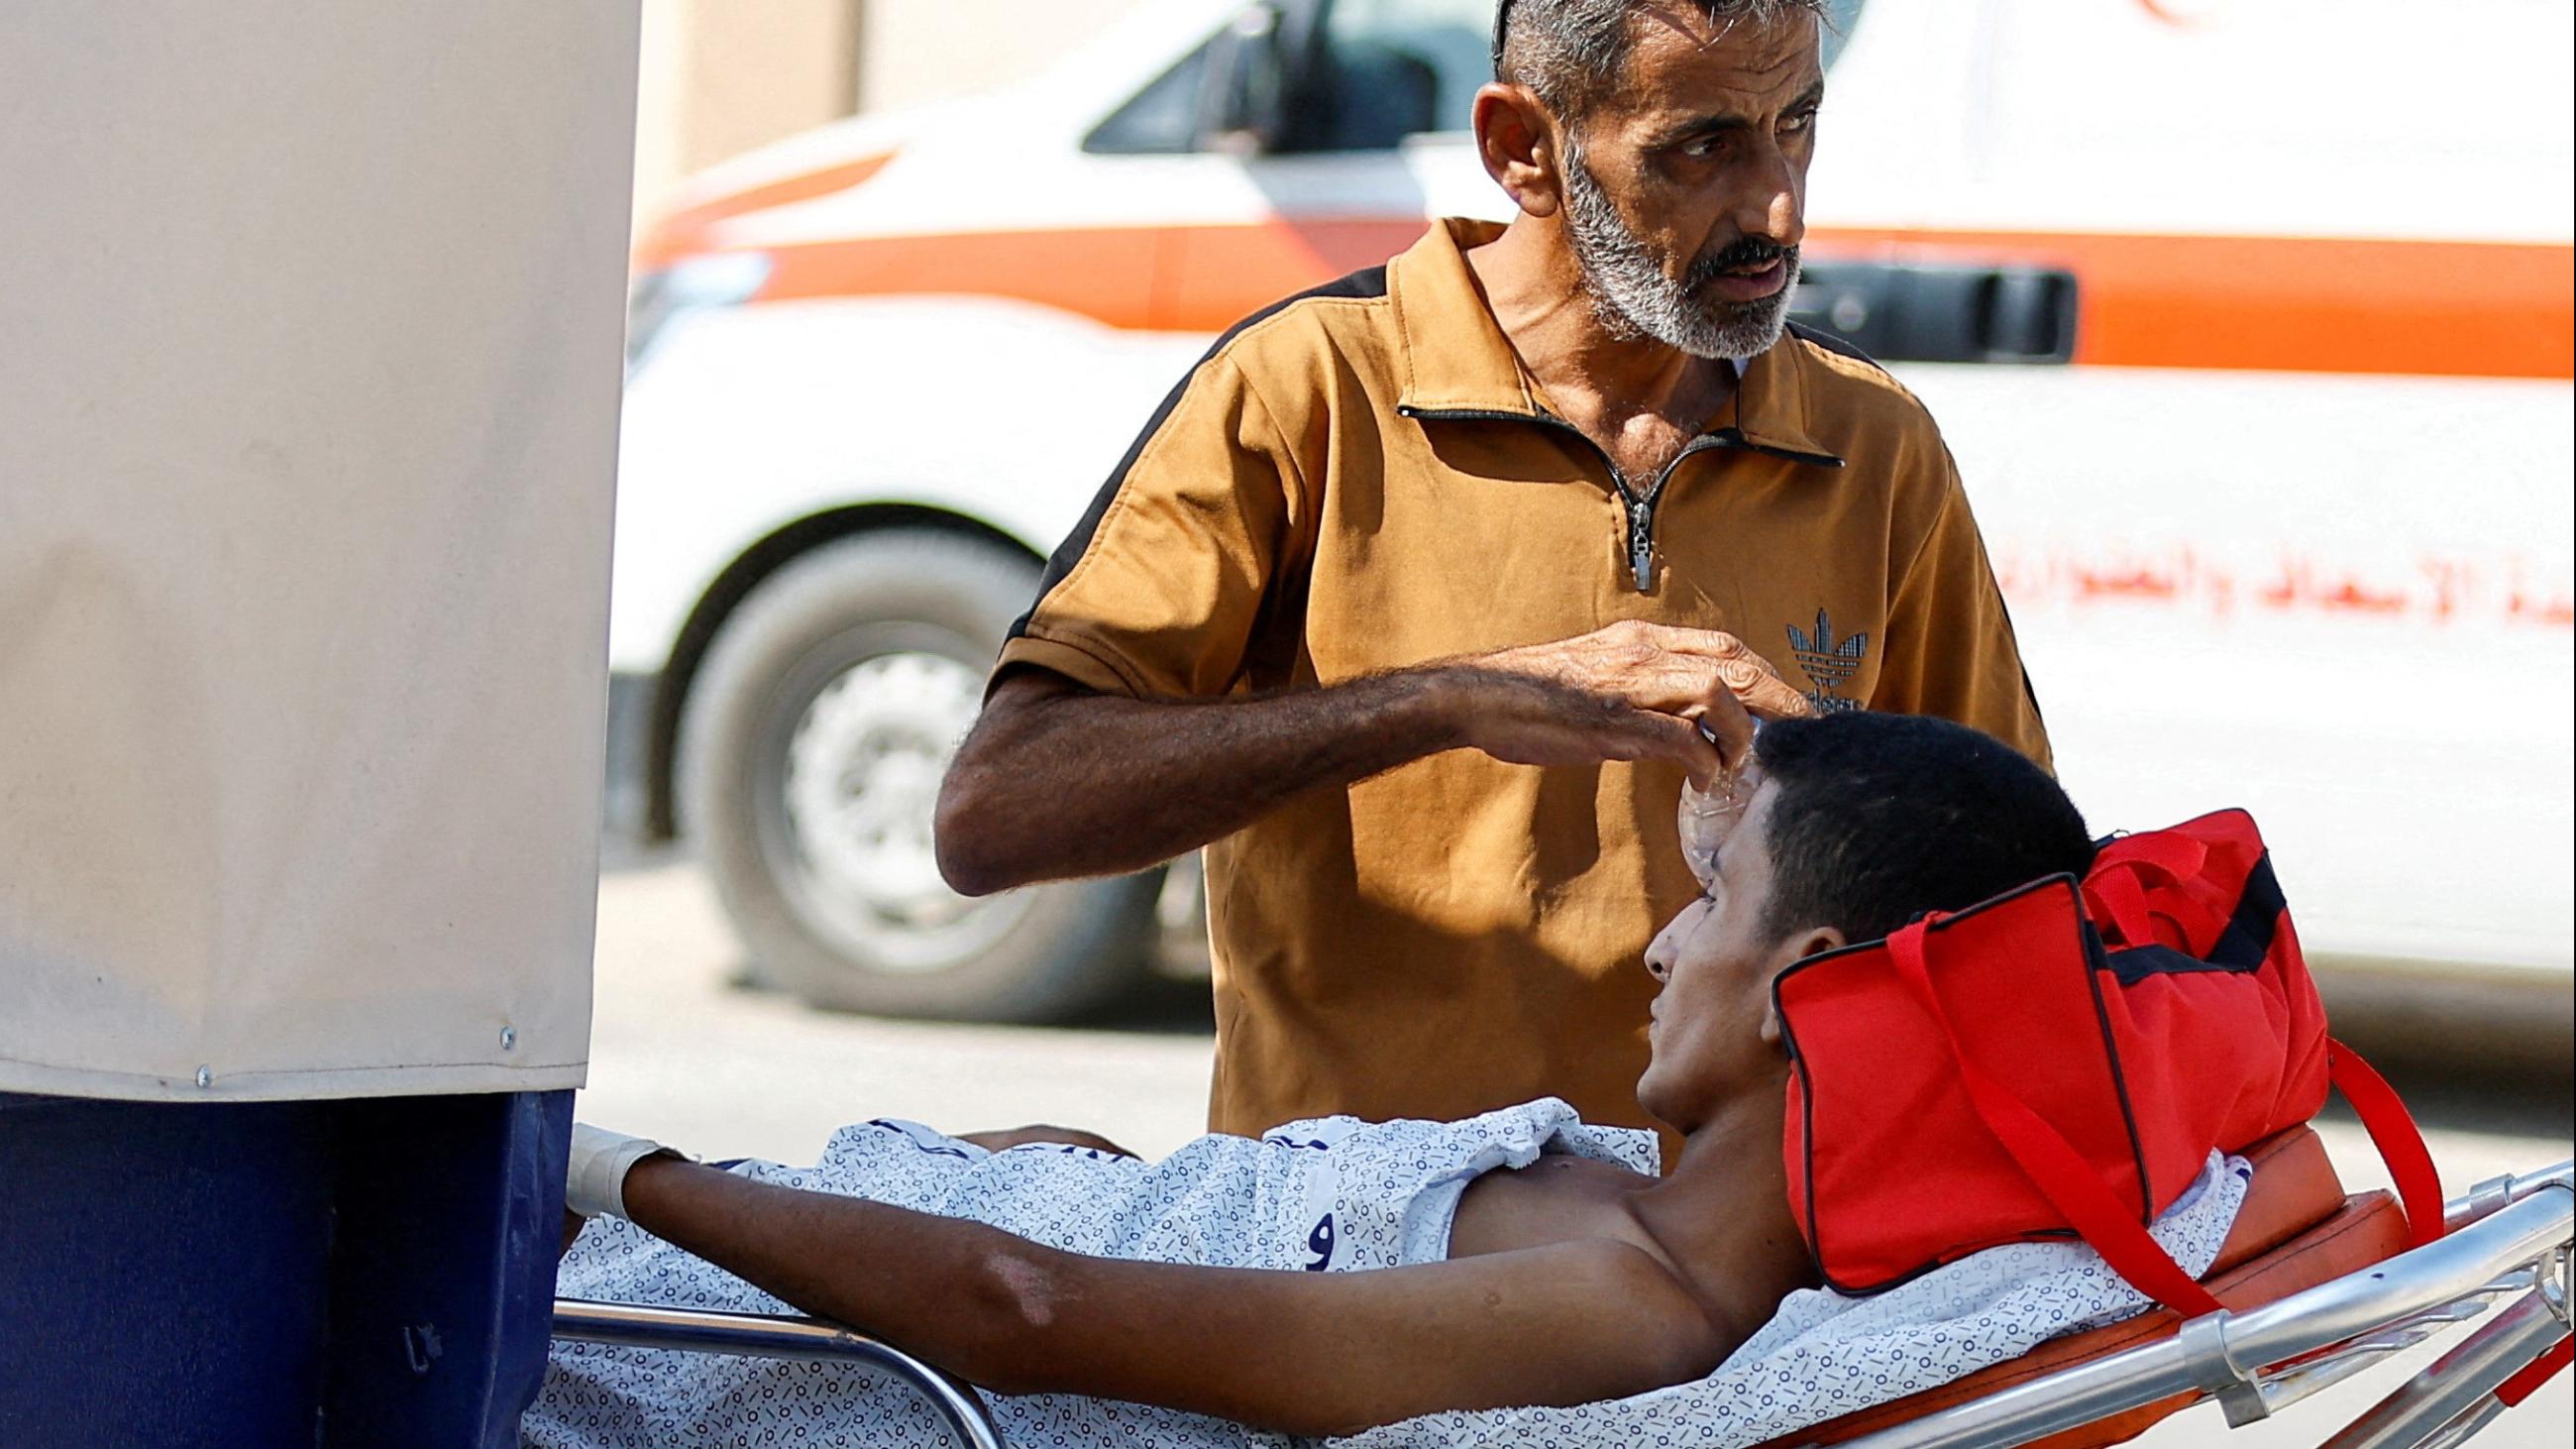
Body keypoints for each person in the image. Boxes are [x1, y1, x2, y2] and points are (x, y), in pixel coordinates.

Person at [934, 0, 2051, 1147]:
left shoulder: (1873, 443)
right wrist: (1449, 701)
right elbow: (995, 813)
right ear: (1524, 149)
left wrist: (1832, 783)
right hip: (1349, 1270)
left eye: (1797, 124)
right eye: (1702, 146)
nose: (1776, 204)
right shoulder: (1305, 388)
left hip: (1736, 1283)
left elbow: (2023, 904)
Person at [536, 712, 2095, 1442]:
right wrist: (1054, 1155)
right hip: (808, 1240)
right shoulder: (1608, 1183)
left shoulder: (1634, 1305)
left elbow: (1020, 1312)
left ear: (1811, 977)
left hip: (700, 1337)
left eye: (1718, 893)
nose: (1665, 941)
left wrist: (619, 1172)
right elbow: (1223, 1226)